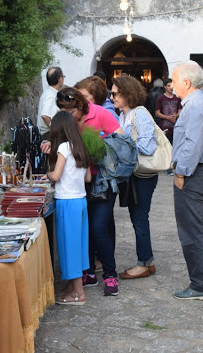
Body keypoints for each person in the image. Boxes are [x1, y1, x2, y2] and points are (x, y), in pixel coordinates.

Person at [51, 87, 125, 296]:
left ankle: (110, 275)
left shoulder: (101, 114)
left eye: (70, 112)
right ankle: (89, 272)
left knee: (98, 227)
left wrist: (98, 147)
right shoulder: (68, 122)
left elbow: (123, 143)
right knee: (86, 229)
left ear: (80, 106)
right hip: (81, 185)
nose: (68, 117)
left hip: (103, 181)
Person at [170, 61, 203, 301]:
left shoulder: (193, 106)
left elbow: (192, 144)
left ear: (186, 82)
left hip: (193, 173)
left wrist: (181, 172)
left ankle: (201, 285)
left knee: (192, 231)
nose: (171, 85)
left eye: (173, 80)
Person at [111, 76, 158, 280]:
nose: (111, 97)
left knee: (140, 218)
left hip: (143, 175)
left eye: (115, 93)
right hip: (133, 174)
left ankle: (143, 264)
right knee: (136, 217)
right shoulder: (124, 115)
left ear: (127, 93)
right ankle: (148, 261)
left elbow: (148, 147)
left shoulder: (140, 114)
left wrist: (123, 142)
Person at [45, 112, 93, 305]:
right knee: (78, 246)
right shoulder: (80, 145)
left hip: (67, 201)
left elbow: (56, 176)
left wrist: (47, 173)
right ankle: (72, 286)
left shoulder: (64, 147)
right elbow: (88, 178)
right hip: (80, 200)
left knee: (69, 247)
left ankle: (78, 293)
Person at [37, 66, 65, 141]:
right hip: (48, 134)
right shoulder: (50, 95)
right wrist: (55, 131)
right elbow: (45, 115)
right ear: (60, 79)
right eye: (63, 76)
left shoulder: (50, 93)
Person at [155, 78, 182, 144]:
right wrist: (168, 118)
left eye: (172, 86)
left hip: (175, 128)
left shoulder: (177, 98)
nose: (170, 88)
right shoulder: (161, 98)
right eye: (168, 86)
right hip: (165, 128)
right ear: (165, 86)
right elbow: (157, 113)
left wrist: (176, 115)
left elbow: (180, 110)